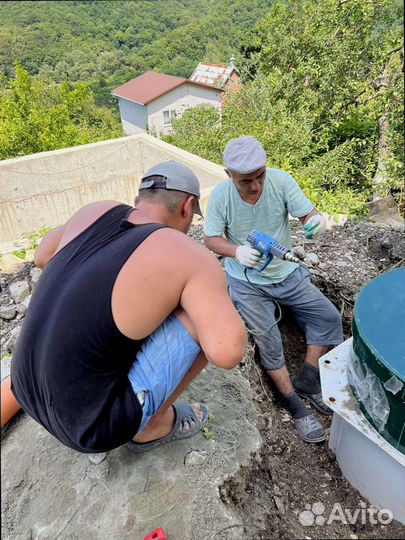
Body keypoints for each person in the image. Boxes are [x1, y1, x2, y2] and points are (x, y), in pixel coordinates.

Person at [11, 161, 247, 454]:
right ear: (187, 207)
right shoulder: (188, 254)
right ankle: (152, 426)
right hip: (88, 428)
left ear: (139, 200)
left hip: (24, 388)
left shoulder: (95, 211)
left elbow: (43, 255)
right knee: (202, 317)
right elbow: (227, 351)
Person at [203, 136, 343, 443]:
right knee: (268, 340)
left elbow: (308, 214)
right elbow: (211, 238)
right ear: (229, 176)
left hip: (288, 273)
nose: (254, 186)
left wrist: (317, 220)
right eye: (245, 181)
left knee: (328, 317)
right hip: (246, 282)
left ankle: (308, 379)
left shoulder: (281, 182)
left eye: (259, 176)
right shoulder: (221, 197)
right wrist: (236, 252)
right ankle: (293, 402)